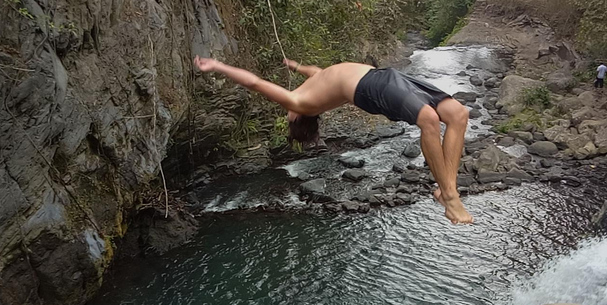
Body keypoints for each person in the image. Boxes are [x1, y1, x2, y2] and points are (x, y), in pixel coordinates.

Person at [194, 56, 473, 224]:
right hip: (370, 87)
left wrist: (297, 66)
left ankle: (446, 189)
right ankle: (448, 194)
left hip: (387, 76)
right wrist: (218, 66)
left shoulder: (309, 87)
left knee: (458, 114)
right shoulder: (300, 101)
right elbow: (254, 82)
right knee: (429, 120)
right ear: (298, 118)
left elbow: (317, 71)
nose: (285, 113)